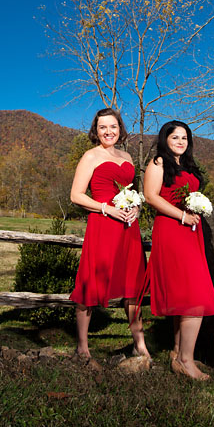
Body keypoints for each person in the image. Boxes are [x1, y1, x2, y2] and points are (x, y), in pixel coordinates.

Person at [69, 108, 150, 365]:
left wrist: (136, 207)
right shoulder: (90, 156)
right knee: (91, 282)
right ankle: (83, 347)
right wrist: (107, 209)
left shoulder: (127, 156)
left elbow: (132, 192)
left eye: (113, 126)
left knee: (133, 286)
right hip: (103, 225)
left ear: (120, 129)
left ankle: (139, 344)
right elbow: (76, 195)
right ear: (96, 130)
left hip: (128, 228)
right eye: (103, 127)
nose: (108, 131)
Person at [142, 121, 214, 381]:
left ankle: (178, 354)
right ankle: (187, 360)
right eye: (175, 137)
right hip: (172, 230)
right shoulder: (158, 163)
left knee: (185, 294)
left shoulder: (187, 165)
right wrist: (182, 216)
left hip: (190, 233)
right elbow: (151, 196)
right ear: (165, 139)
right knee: (195, 293)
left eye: (184, 137)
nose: (180, 141)